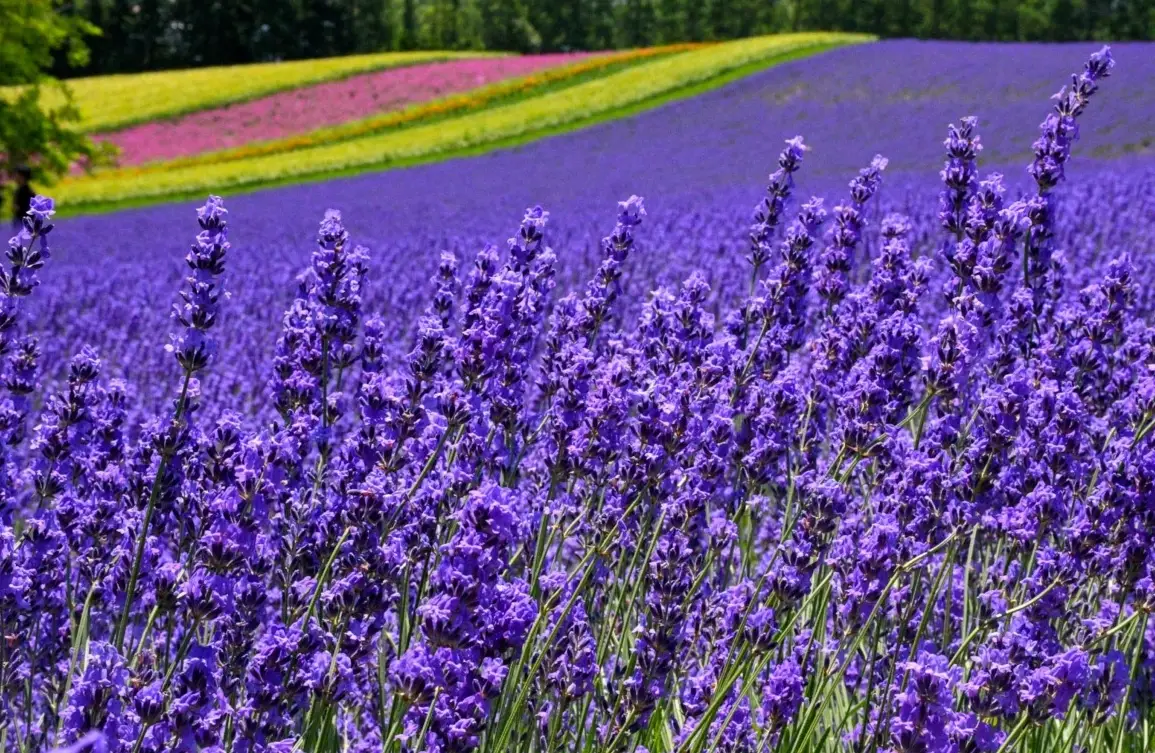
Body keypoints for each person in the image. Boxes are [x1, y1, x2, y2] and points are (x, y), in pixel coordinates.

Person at [11, 166, 33, 230]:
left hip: (23, 224)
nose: (14, 177)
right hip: (18, 221)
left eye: (16, 174)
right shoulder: (19, 190)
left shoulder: (27, 192)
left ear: (22, 177)